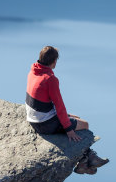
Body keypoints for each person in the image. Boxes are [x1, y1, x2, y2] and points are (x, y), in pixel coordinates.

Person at [26, 45, 109, 175]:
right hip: (45, 124)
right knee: (84, 124)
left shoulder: (33, 72)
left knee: (74, 118)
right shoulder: (50, 79)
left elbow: (44, 102)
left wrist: (68, 116)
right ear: (54, 61)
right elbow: (59, 105)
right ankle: (88, 160)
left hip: (34, 119)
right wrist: (68, 129)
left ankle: (84, 163)